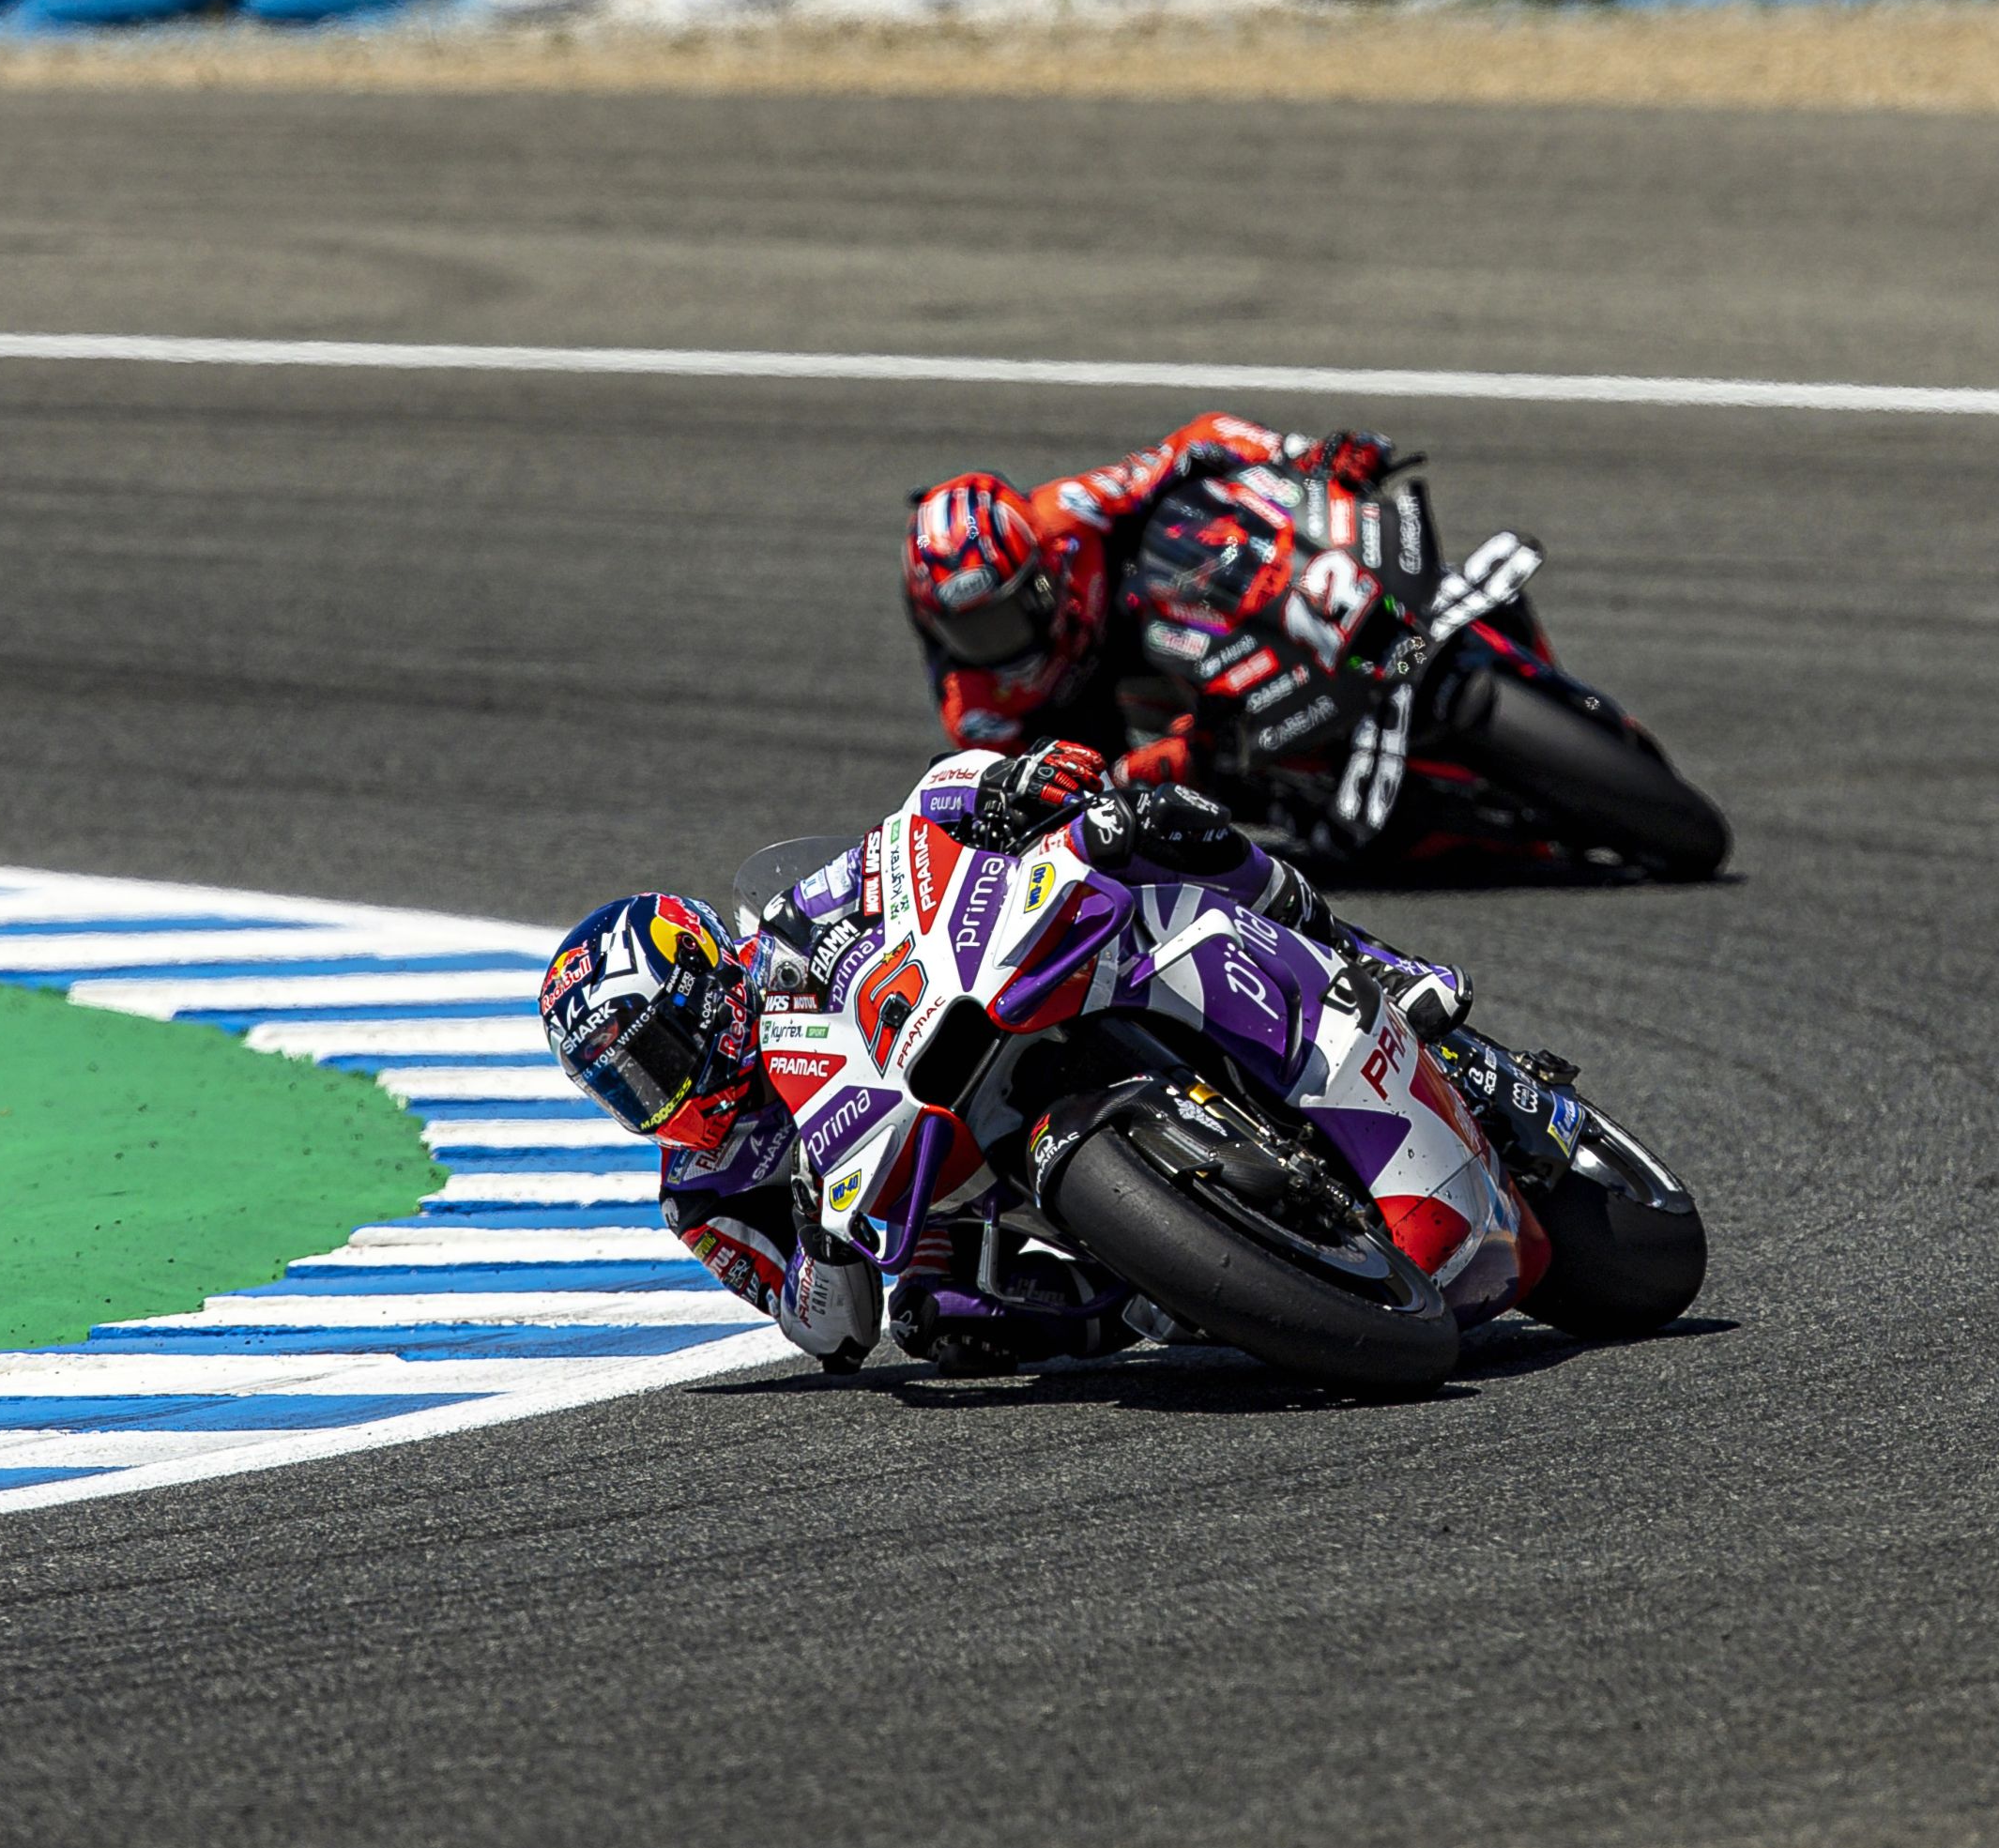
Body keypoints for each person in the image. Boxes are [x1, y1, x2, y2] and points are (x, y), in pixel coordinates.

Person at [536, 743, 1502, 1373]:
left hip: (981, 1005)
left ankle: (1367, 957)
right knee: (938, 1320)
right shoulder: (700, 1193)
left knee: (1143, 825)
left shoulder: (784, 935)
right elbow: (825, 1328)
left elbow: (899, 841)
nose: (652, 1094)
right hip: (948, 1194)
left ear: (702, 990)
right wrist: (817, 1229)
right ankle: (1166, 1294)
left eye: (650, 1057)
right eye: (620, 1087)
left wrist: (1002, 785)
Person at [901, 412, 1400, 769]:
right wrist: (1150, 770)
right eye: (968, 631)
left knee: (1202, 525)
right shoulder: (977, 714)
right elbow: (1034, 814)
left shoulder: (1068, 512)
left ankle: (1346, 623)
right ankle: (1270, 768)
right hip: (1091, 728)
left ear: (1040, 577)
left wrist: (1299, 454)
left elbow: (1197, 442)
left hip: (1143, 620)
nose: (991, 645)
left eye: (999, 618)